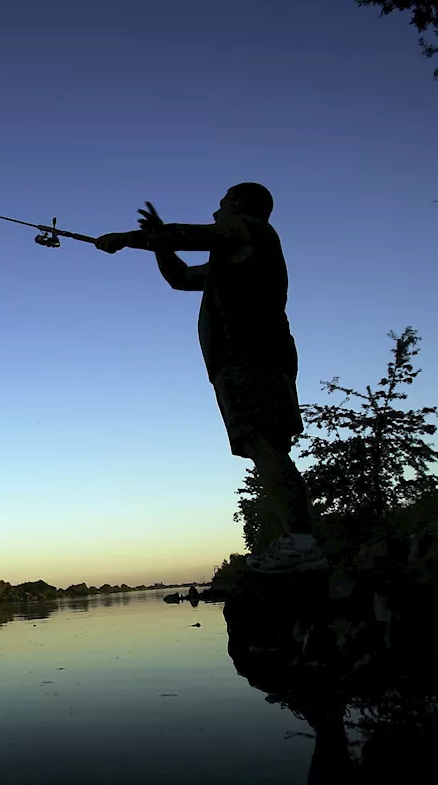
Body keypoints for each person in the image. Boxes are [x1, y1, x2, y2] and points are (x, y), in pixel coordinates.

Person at [95, 184, 328, 573]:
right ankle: (299, 541)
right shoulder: (232, 258)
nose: (216, 213)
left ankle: (303, 545)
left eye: (221, 206)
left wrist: (129, 238)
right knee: (263, 447)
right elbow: (181, 277)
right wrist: (158, 243)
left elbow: (192, 235)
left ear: (239, 206)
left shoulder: (251, 229)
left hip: (251, 357)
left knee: (264, 443)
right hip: (245, 360)